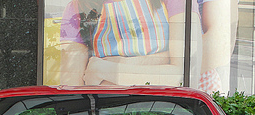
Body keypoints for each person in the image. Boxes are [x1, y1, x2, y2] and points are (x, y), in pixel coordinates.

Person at [59, 0, 201, 86]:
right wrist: (164, 60)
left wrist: (107, 69)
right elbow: (73, 90)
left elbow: (185, 75)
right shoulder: (77, 7)